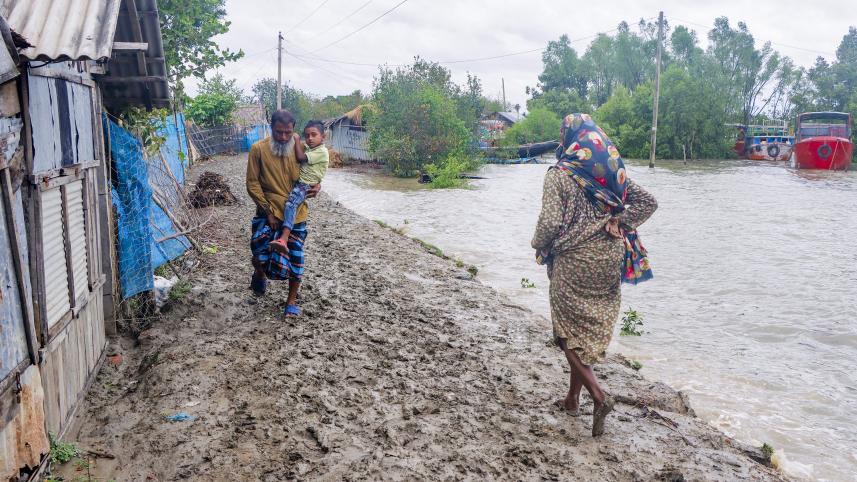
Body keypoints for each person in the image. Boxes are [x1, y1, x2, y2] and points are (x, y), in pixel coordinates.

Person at [532, 113, 657, 437]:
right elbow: (648, 202)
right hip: (608, 260)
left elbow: (548, 224)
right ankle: (573, 399)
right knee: (584, 331)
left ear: (569, 138)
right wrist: (621, 223)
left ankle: (598, 397)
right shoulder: (609, 175)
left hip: (574, 260)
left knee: (564, 332)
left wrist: (538, 246)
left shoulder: (559, 174)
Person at [246, 110, 321, 317]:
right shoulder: (257, 150)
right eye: (279, 132)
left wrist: (317, 186)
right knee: (259, 254)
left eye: (288, 132)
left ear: (293, 130)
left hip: (297, 214)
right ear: (271, 128)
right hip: (267, 212)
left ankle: (291, 301)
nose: (283, 137)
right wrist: (267, 211)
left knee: (296, 258)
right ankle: (259, 274)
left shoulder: (302, 150)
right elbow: (252, 184)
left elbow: (314, 173)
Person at [270, 120, 329, 254]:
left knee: (291, 204)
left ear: (323, 137)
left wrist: (297, 139)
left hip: (305, 184)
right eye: (307, 135)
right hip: (302, 184)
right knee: (292, 204)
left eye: (314, 135)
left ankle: (284, 238)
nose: (310, 138)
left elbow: (301, 157)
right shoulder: (311, 148)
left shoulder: (321, 151)